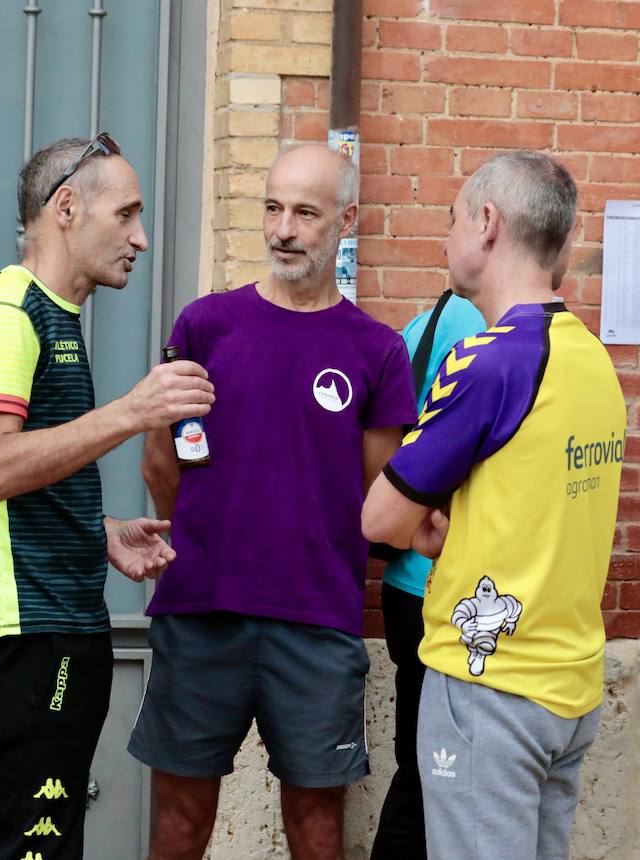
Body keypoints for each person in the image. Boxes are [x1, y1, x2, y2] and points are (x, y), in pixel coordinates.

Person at [129, 144, 416, 860]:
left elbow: (376, 494)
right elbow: (162, 462)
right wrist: (207, 538)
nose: (283, 228)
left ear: (346, 220)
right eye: (272, 207)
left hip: (317, 625)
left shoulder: (376, 350)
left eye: (305, 213)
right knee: (179, 829)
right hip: (200, 617)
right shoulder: (206, 325)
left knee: (318, 836)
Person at [0, 134, 214, 860]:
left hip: (51, 622)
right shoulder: (8, 317)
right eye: (125, 215)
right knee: (36, 844)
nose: (141, 238)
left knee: (25, 837)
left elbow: (13, 484)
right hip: (30, 628)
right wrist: (132, 411)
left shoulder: (45, 315)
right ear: (65, 208)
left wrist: (97, 529)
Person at [362, 150, 625, 860]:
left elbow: (378, 520)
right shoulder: (591, 358)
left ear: (486, 224)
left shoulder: (489, 358)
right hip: (567, 684)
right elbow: (536, 500)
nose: (445, 237)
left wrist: (418, 521)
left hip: (490, 686)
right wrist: (452, 524)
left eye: (450, 218)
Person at [371, 288, 486, 860]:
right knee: (431, 775)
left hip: (405, 582)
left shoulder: (421, 321)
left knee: (419, 767)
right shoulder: (475, 326)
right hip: (437, 585)